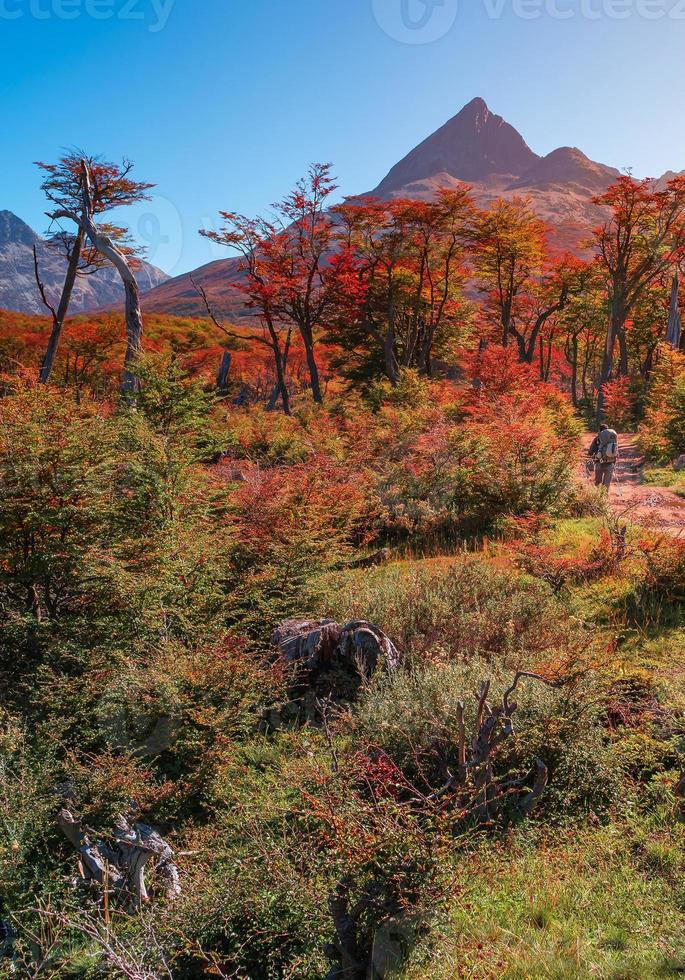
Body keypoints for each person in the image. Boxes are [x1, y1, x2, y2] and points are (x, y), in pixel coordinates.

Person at [589, 424, 619, 490]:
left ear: (600, 430)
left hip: (599, 462)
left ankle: (598, 497)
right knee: (606, 483)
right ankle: (605, 496)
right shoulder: (612, 438)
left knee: (598, 482)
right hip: (611, 462)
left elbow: (590, 452)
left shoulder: (597, 438)